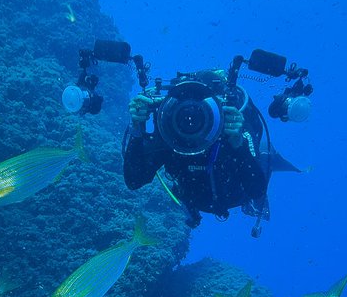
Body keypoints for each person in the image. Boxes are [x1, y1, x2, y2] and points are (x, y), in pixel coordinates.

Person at [123, 67, 293, 232]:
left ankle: (265, 153)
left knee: (258, 156)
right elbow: (134, 180)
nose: (191, 116)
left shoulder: (227, 129)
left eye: (200, 106)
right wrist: (137, 128)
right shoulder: (170, 130)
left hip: (237, 195)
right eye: (184, 106)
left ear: (216, 105)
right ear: (173, 106)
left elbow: (256, 191)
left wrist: (238, 144)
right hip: (194, 200)